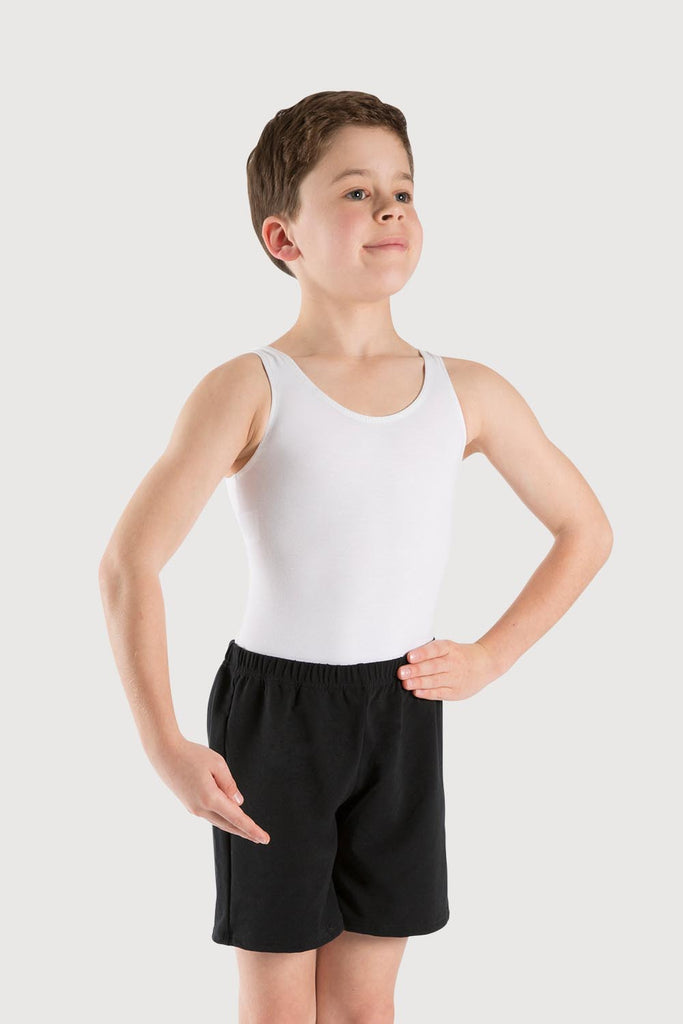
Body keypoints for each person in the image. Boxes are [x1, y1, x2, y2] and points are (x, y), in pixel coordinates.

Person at [98, 90, 613, 1024]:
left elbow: (585, 529)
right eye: (354, 192)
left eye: (402, 191)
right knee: (280, 1000)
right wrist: (164, 743)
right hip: (274, 718)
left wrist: (490, 656)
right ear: (282, 237)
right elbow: (129, 565)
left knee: (367, 999)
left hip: (401, 706)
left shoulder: (468, 391)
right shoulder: (248, 387)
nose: (389, 210)